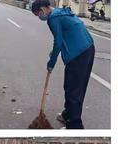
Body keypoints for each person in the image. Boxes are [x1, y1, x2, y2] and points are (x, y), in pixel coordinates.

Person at [31, 0, 95, 129]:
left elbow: (58, 41)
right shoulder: (60, 12)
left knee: (73, 90)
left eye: (38, 14)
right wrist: (54, 52)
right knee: (77, 87)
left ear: (43, 9)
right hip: (88, 48)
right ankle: (68, 114)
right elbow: (66, 35)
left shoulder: (53, 18)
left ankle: (74, 126)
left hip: (78, 54)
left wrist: (51, 63)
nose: (39, 17)